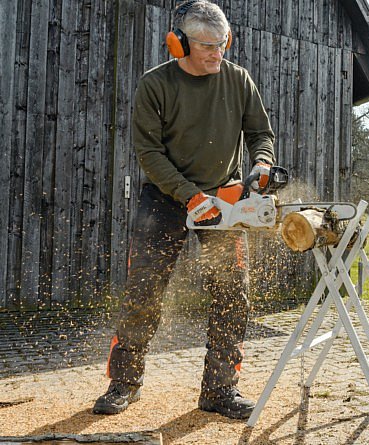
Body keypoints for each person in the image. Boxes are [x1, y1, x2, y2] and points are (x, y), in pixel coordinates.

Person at [93, 0, 275, 420]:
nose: (217, 53)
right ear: (179, 44)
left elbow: (260, 133)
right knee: (144, 292)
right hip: (165, 198)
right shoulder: (155, 85)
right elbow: (149, 152)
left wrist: (262, 164)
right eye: (207, 46)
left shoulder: (238, 79)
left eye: (223, 43)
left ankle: (220, 389)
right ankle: (125, 382)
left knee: (233, 295)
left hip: (225, 199)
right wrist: (188, 194)